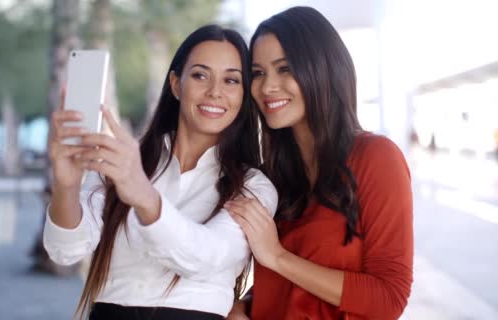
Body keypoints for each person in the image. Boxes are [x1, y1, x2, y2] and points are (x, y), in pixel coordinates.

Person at [44, 24, 278, 320]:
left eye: (231, 80)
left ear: (244, 95)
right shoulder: (125, 161)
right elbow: (64, 251)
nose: (215, 92)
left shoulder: (253, 186)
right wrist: (65, 186)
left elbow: (204, 257)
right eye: (200, 75)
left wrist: (145, 197)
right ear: (176, 84)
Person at [225, 7, 413, 320]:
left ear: (322, 68)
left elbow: (389, 297)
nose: (267, 86)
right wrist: (243, 306)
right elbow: (284, 286)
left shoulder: (377, 157)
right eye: (258, 73)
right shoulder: (271, 175)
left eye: (284, 69)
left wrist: (277, 256)